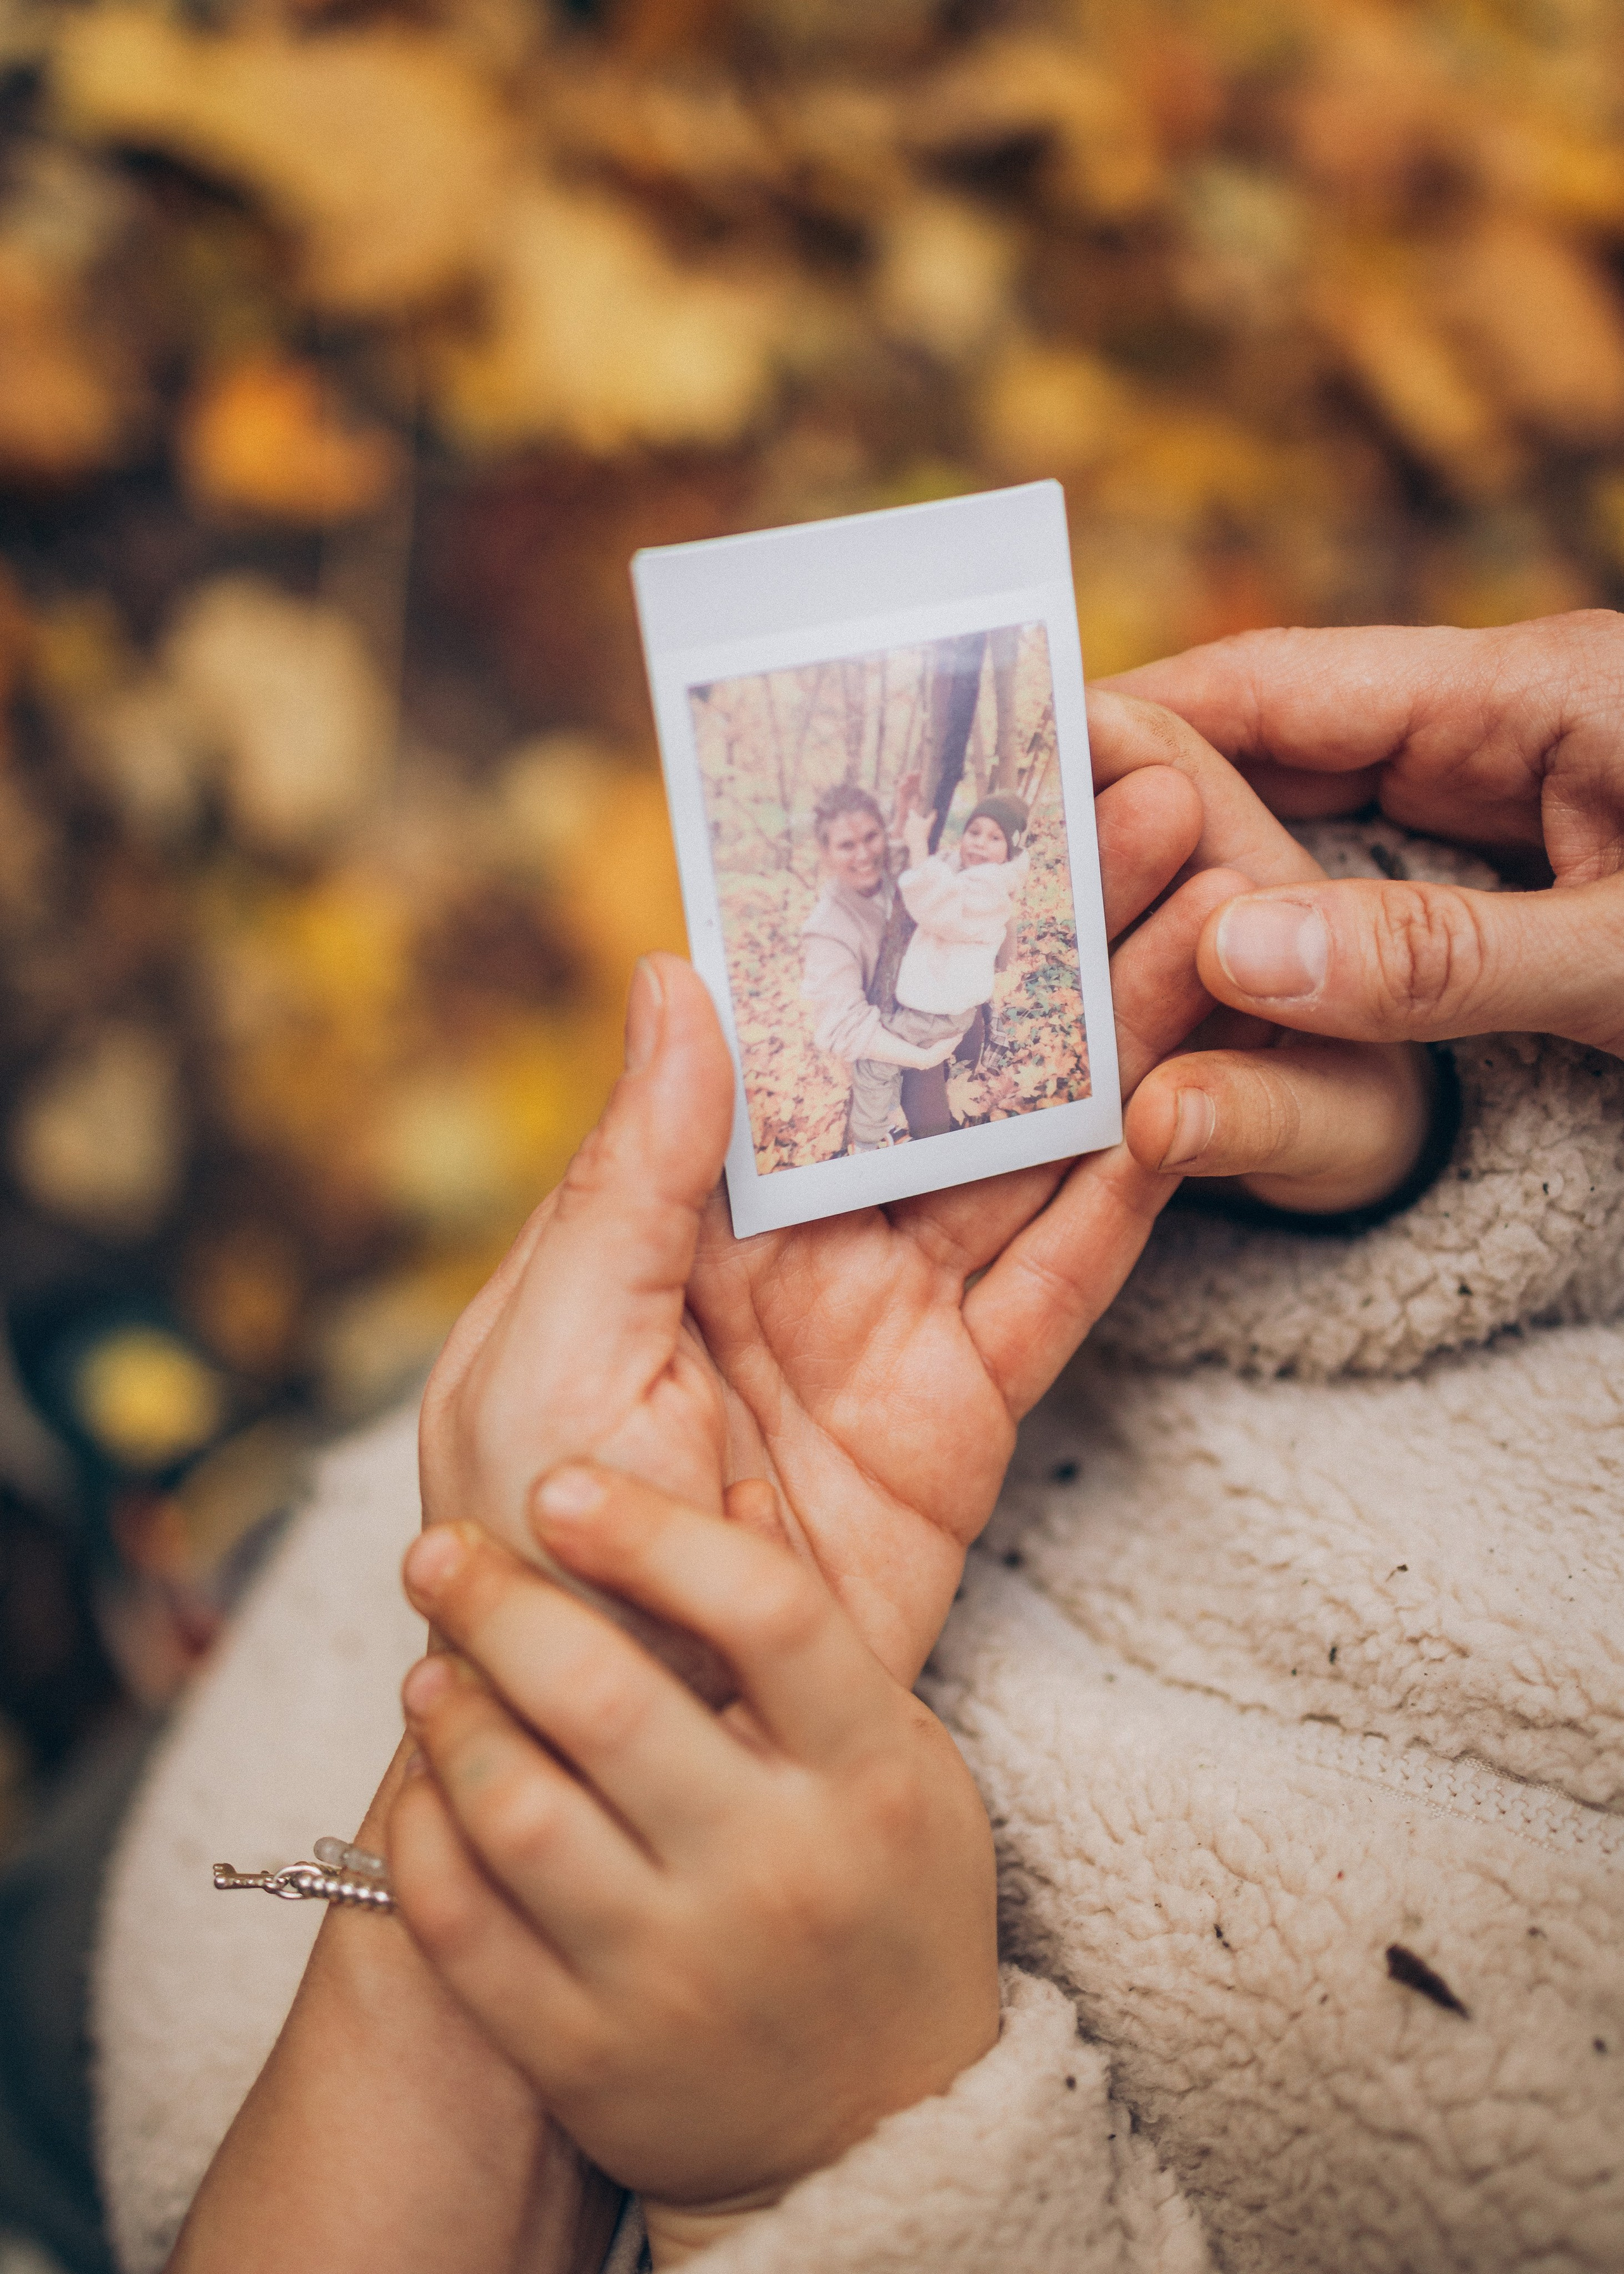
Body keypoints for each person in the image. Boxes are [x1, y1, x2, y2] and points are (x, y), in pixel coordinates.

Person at [91, 624, 1624, 2271]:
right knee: (208, 1679)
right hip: (502, 1585)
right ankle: (202, 1550)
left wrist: (830, 2165)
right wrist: (1417, 1152)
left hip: (304, 2071)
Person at [849, 792, 1030, 1149]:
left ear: (1009, 853)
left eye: (995, 839)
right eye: (974, 832)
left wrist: (918, 846)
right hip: (950, 1004)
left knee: (875, 1062)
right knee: (923, 1064)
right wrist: (905, 825)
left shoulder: (990, 889)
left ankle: (867, 1142)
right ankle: (921, 1100)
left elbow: (937, 907)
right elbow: (912, 875)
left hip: (935, 1009)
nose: (980, 843)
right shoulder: (960, 870)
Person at [798, 778, 967, 1153]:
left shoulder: (891, 865)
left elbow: (894, 849)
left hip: (924, 1011)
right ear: (825, 853)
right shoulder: (826, 931)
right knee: (935, 1128)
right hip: (885, 1047)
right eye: (846, 845)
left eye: (870, 838)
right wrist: (922, 1058)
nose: (863, 855)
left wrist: (902, 812)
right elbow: (842, 1027)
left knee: (972, 1031)